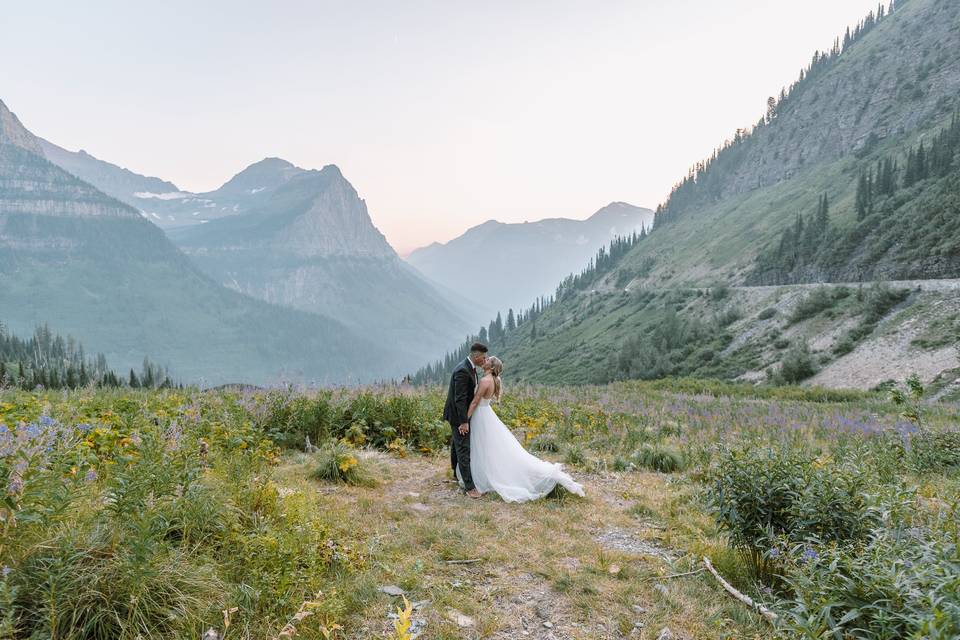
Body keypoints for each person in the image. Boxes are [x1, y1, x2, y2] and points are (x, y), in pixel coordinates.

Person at [442, 341, 487, 498]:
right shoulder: (463, 370)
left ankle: (456, 473)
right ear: (476, 356)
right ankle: (469, 487)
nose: (485, 360)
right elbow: (459, 399)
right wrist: (464, 422)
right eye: (483, 357)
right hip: (458, 415)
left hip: (459, 414)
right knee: (463, 448)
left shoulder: (471, 368)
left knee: (456, 444)